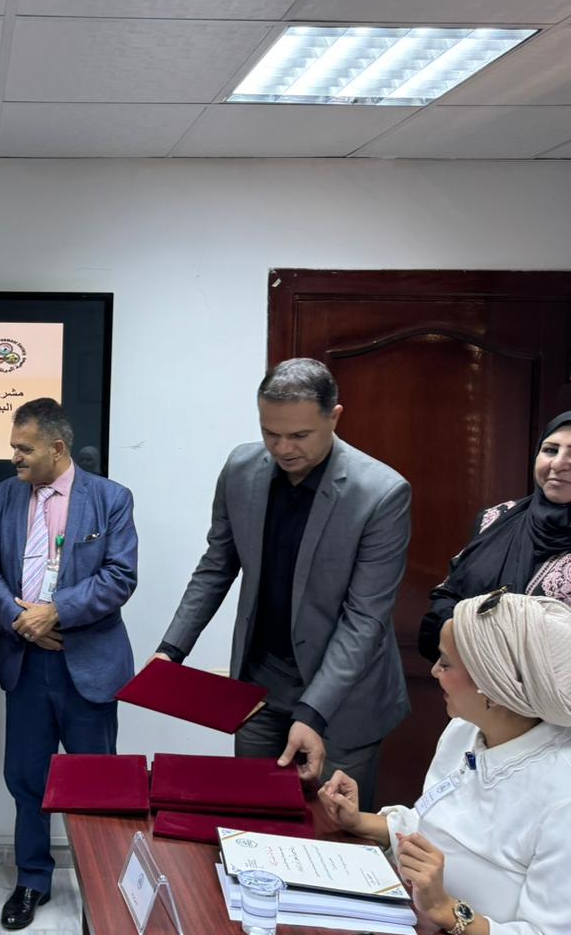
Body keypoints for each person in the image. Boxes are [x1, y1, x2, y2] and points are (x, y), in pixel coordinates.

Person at [156, 358, 411, 809]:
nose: (282, 448)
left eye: (299, 435)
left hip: (345, 701)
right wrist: (171, 650)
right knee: (253, 819)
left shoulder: (380, 494)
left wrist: (313, 712)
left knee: (333, 834)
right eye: (270, 433)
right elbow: (216, 565)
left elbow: (364, 619)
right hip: (260, 689)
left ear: (334, 417)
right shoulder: (241, 468)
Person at [321, 590, 571, 935]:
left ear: (492, 685)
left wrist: (445, 909)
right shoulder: (464, 731)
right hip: (405, 912)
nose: (434, 670)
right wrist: (360, 821)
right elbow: (432, 826)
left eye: (446, 663)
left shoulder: (561, 796)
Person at [0, 398, 138, 930]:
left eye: (24, 449)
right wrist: (17, 618)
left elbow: (120, 576)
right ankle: (32, 880)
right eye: (13, 447)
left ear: (57, 448)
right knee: (26, 779)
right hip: (25, 660)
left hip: (87, 663)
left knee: (97, 785)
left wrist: (56, 612)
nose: (14, 458)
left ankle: (102, 887)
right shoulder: (6, 495)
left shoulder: (111, 498)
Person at [418, 411, 571, 661]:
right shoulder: (497, 518)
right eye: (551, 450)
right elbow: (449, 594)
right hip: (471, 674)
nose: (557, 464)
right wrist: (458, 637)